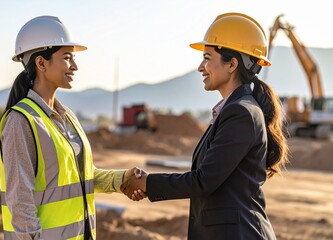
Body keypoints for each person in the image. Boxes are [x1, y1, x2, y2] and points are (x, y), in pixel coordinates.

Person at [121, 12, 289, 239]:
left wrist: (147, 183)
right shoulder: (233, 110)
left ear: (232, 64)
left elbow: (204, 180)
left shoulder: (240, 113)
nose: (201, 67)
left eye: (207, 58)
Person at [0, 16, 143, 240]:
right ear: (41, 63)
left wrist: (122, 178)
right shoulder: (21, 120)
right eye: (67, 58)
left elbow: (81, 176)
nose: (75, 66)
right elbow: (20, 200)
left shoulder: (68, 117)